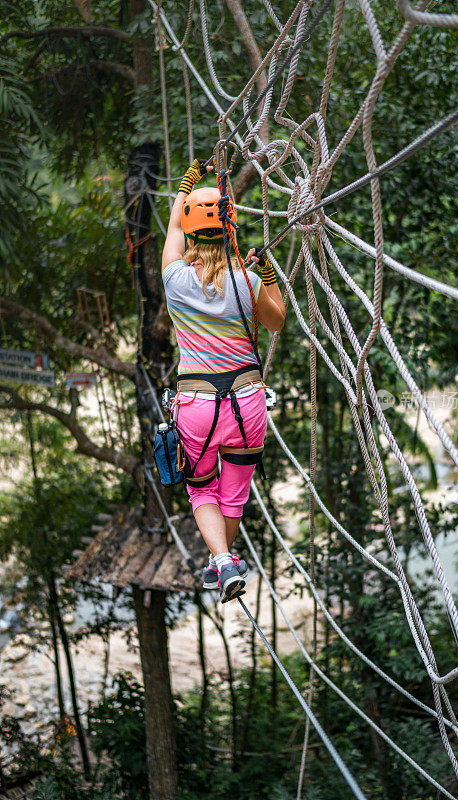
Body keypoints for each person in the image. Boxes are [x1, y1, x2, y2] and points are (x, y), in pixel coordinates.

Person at [161, 158, 285, 602]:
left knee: (201, 490)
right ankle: (225, 558)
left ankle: (223, 560)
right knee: (232, 494)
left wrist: (188, 182)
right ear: (229, 230)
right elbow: (277, 321)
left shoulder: (174, 278)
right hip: (247, 402)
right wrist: (265, 272)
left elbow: (176, 226)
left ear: (194, 234)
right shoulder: (247, 281)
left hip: (196, 404)